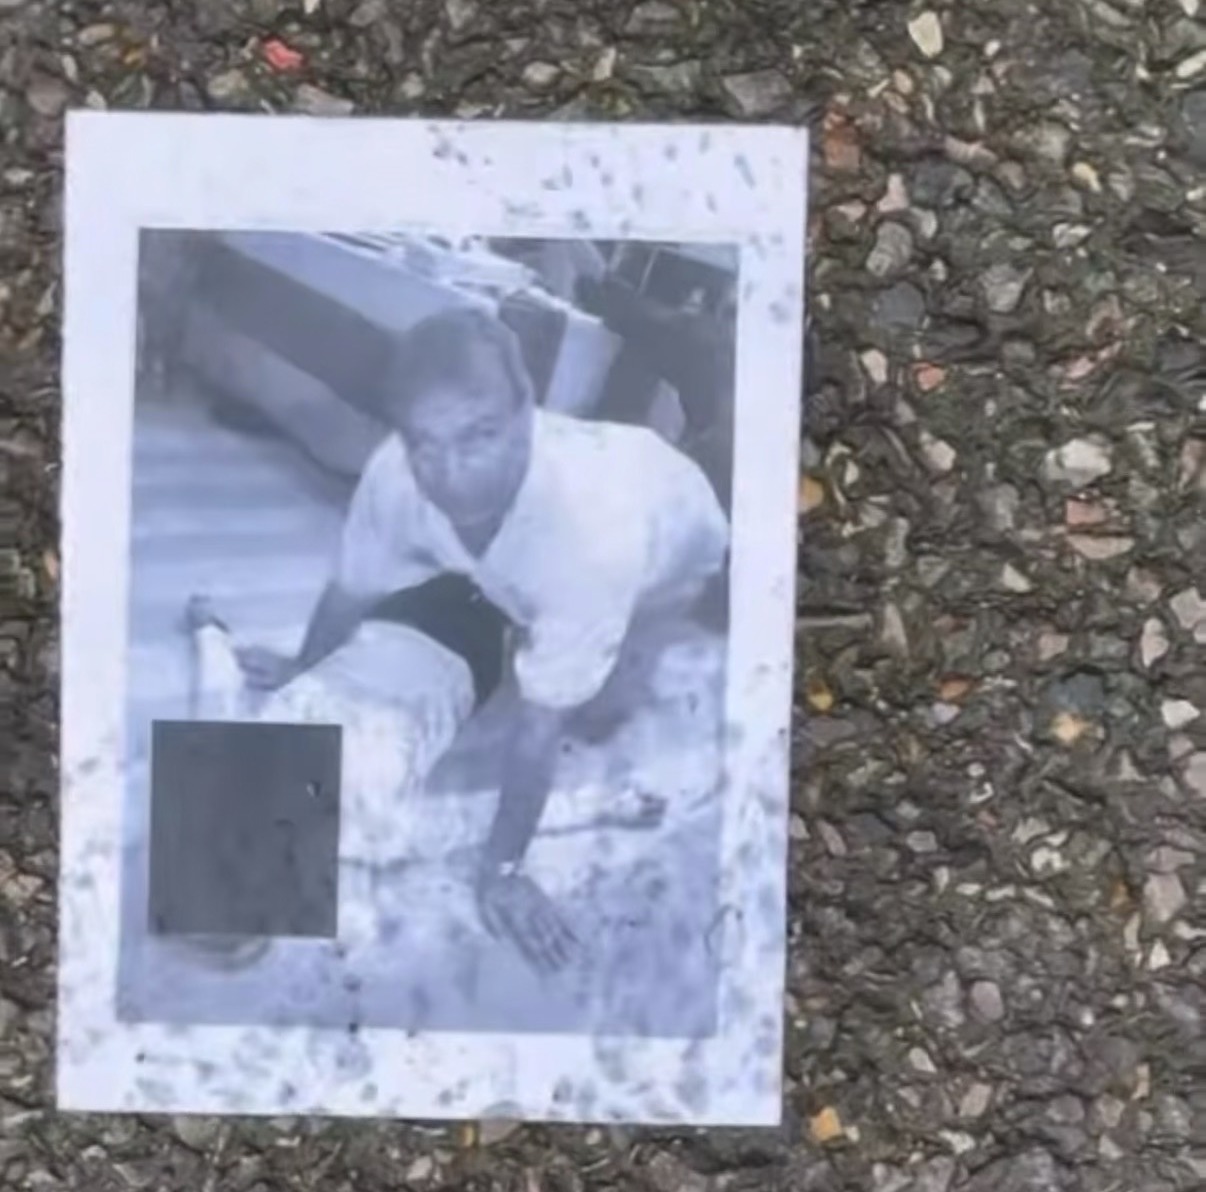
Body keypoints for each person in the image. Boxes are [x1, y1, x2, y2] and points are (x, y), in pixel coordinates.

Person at [237, 307, 730, 972]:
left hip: (684, 537)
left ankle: (719, 416)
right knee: (531, 618)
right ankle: (709, 404)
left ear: (529, 408)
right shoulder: (397, 473)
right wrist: (303, 668)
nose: (449, 471)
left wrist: (503, 868)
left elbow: (535, 734)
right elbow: (349, 592)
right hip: (605, 478)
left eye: (479, 436)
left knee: (601, 709)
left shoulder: (593, 539)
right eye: (427, 443)